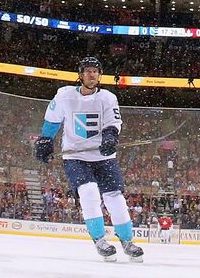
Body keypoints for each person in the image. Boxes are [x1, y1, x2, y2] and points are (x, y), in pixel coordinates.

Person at [35, 57, 144, 263]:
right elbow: (52, 120)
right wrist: (45, 141)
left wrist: (111, 137)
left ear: (99, 75)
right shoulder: (64, 95)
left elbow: (113, 122)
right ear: (80, 74)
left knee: (115, 197)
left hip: (103, 157)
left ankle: (128, 242)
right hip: (75, 156)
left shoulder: (108, 98)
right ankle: (100, 241)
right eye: (87, 71)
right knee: (89, 192)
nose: (92, 74)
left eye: (95, 71)